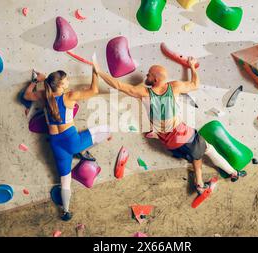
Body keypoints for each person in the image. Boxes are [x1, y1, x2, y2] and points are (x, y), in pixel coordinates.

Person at [93, 57, 246, 194]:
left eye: (148, 74)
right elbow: (195, 84)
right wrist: (192, 67)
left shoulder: (144, 93)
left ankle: (217, 177)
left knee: (198, 153)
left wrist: (99, 72)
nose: (146, 76)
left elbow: (118, 85)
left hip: (168, 141)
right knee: (207, 150)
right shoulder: (174, 87)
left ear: (156, 78)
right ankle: (211, 180)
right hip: (180, 134)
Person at [23, 67, 111, 221]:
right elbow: (94, 90)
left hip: (56, 145)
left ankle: (66, 211)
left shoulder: (44, 96)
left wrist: (36, 81)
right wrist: (95, 72)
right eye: (66, 81)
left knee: (65, 180)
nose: (69, 82)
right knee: (107, 130)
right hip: (73, 141)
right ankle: (82, 151)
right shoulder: (69, 96)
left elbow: (27, 95)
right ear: (61, 85)